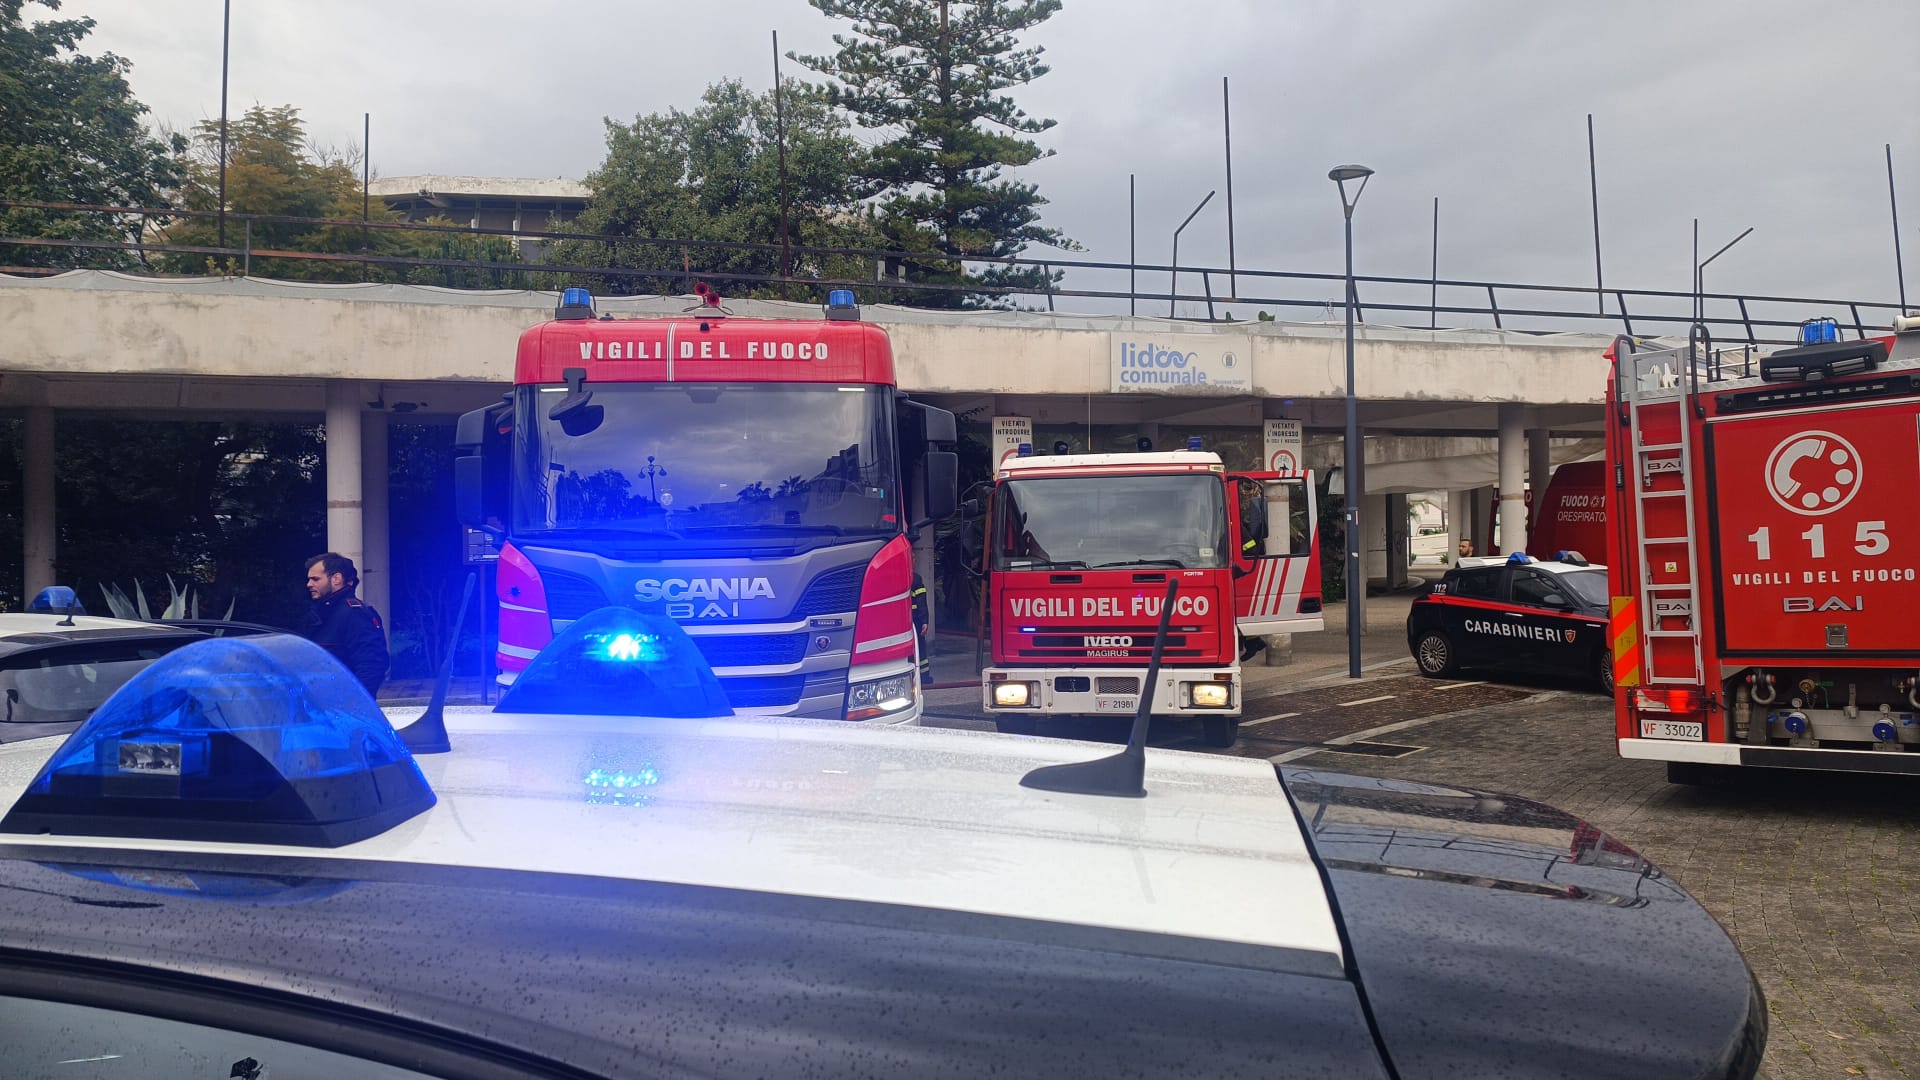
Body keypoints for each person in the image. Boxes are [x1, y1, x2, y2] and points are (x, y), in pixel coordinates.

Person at [303, 553, 389, 697]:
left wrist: (353, 705)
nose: (309, 584)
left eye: (315, 579)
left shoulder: (354, 613)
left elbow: (371, 665)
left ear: (336, 579)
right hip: (327, 705)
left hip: (342, 709)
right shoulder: (326, 612)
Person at [910, 571, 932, 686]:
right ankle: (924, 676)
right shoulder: (915, 579)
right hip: (915, 619)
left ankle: (912, 676)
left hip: (903, 619)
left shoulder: (895, 577)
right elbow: (921, 601)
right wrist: (924, 621)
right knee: (920, 648)